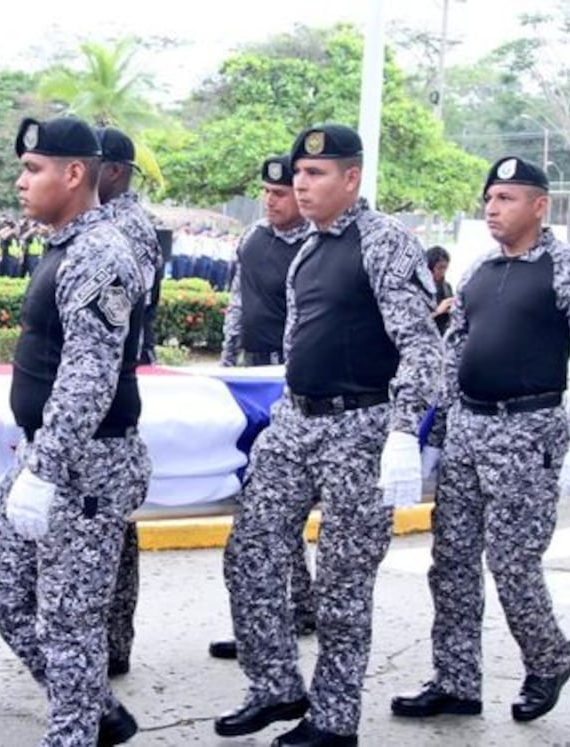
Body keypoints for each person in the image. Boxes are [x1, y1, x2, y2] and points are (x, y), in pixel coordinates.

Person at [217, 125, 441, 747]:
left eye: (316, 174)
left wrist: (403, 432)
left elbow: (423, 349)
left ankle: (335, 720)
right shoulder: (309, 249)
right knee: (251, 553)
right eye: (298, 175)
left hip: (360, 428)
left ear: (352, 178)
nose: (301, 184)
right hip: (298, 419)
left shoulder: (384, 243)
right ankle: (276, 687)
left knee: (343, 583)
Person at [392, 156, 570, 725]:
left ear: (539, 206)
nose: (492, 209)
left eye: (506, 199)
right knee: (451, 563)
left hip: (528, 432)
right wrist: (436, 435)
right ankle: (456, 681)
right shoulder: (480, 272)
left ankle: (548, 659)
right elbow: (453, 356)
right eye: (489, 199)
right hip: (468, 429)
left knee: (514, 562)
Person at [0, 116, 148, 747]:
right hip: (45, 457)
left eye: (33, 169)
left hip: (87, 466)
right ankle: (96, 711)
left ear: (74, 173)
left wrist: (45, 469)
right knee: (5, 596)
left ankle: (75, 731)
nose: (21, 182)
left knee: (69, 623)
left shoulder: (101, 253)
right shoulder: (66, 246)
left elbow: (88, 378)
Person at [210, 154, 316, 664]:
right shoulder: (254, 239)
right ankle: (280, 610)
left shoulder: (313, 246)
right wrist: (225, 367)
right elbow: (238, 303)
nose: (271, 201)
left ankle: (290, 609)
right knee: (261, 500)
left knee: (277, 504)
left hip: (287, 379)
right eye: (267, 193)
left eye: (281, 193)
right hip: (249, 375)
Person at [94, 125, 161, 679]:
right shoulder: (99, 221)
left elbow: (121, 318)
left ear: (113, 170)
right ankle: (106, 638)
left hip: (115, 381)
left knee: (114, 522)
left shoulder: (127, 228)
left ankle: (114, 640)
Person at [426, 245, 454, 336]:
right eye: (439, 268)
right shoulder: (418, 289)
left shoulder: (446, 287)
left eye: (445, 268)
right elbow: (413, 321)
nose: (442, 271)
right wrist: (438, 311)